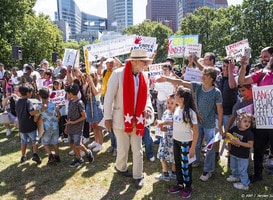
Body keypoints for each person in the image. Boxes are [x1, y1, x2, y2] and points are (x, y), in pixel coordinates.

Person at [156, 67, 223, 182]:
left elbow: (220, 109)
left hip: (210, 123)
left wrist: (220, 126)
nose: (202, 76)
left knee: (210, 148)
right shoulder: (197, 86)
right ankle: (195, 161)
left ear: (212, 78)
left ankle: (208, 170)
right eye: (203, 74)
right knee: (195, 143)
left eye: (206, 75)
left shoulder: (216, 92)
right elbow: (181, 82)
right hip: (197, 122)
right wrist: (166, 78)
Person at [104, 49, 154, 189]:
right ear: (135, 61)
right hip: (121, 118)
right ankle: (121, 168)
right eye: (144, 62)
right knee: (123, 148)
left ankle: (138, 175)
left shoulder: (144, 76)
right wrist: (107, 117)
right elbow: (108, 97)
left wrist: (148, 108)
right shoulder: (117, 74)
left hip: (138, 120)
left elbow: (147, 97)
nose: (145, 64)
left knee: (137, 149)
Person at [238, 46, 273, 183]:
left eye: (266, 56)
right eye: (261, 56)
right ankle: (257, 174)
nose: (263, 59)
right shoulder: (261, 73)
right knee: (258, 149)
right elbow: (241, 81)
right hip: (262, 119)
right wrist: (243, 66)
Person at [167, 86, 200, 198]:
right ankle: (180, 183)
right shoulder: (177, 109)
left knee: (185, 165)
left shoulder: (190, 113)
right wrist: (163, 124)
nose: (174, 96)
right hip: (176, 141)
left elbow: (195, 132)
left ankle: (188, 186)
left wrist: (192, 148)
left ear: (181, 99)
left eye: (176, 95)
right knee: (178, 163)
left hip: (186, 143)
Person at [64, 83, 94, 167]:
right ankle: (78, 158)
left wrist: (74, 122)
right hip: (70, 127)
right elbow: (69, 116)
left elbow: (84, 116)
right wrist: (67, 126)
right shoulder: (70, 102)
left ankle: (87, 152)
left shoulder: (79, 103)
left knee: (77, 144)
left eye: (67, 93)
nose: (67, 94)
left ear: (71, 93)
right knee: (72, 143)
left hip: (77, 128)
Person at [226, 112, 254, 191]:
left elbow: (250, 145)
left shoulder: (249, 133)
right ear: (239, 121)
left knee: (242, 170)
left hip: (243, 156)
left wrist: (239, 143)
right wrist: (229, 140)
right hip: (233, 153)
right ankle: (236, 177)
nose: (247, 123)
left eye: (249, 122)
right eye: (245, 121)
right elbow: (228, 134)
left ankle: (245, 184)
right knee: (233, 167)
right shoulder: (234, 128)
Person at [15, 85, 43, 164]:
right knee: (35, 140)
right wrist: (40, 110)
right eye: (31, 92)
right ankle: (35, 154)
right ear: (28, 93)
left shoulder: (18, 102)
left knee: (23, 141)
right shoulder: (28, 102)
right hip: (30, 126)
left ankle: (23, 156)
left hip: (22, 126)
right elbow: (31, 112)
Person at [34, 88, 61, 164]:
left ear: (40, 96)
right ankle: (57, 156)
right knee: (55, 143)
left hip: (46, 129)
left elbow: (35, 119)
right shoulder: (54, 104)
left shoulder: (39, 107)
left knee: (45, 143)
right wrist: (57, 119)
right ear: (49, 95)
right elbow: (58, 114)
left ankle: (50, 156)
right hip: (55, 127)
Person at [155, 94, 176, 182]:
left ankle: (174, 173)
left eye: (172, 103)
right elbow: (163, 128)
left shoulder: (177, 114)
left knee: (174, 157)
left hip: (174, 140)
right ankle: (165, 173)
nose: (169, 105)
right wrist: (160, 126)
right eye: (168, 102)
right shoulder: (165, 112)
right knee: (162, 156)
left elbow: (175, 124)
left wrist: (164, 123)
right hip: (165, 139)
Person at [85, 72, 104, 152]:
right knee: (93, 125)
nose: (89, 79)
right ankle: (96, 141)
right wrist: (87, 95)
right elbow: (85, 94)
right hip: (89, 106)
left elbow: (96, 93)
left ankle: (101, 143)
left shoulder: (98, 85)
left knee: (98, 126)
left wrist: (91, 83)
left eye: (91, 77)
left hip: (96, 107)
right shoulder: (87, 86)